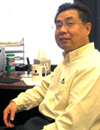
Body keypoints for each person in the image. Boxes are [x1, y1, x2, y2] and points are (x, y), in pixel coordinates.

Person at [1, 1, 100, 130]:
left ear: (87, 28)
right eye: (58, 25)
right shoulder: (68, 61)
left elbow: (73, 125)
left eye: (69, 24)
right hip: (41, 122)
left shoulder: (92, 67)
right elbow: (44, 88)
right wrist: (17, 103)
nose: (62, 30)